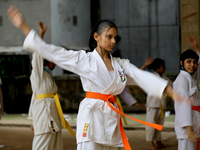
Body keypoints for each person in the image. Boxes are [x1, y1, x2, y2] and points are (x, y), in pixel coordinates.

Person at [8, 6, 183, 150]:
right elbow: (51, 51)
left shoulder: (121, 64)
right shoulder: (84, 60)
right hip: (91, 119)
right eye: (109, 37)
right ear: (97, 38)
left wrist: (168, 90)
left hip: (111, 118)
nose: (113, 41)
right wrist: (23, 25)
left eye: (115, 38)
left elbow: (139, 75)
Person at [28, 21, 64, 150]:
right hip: (45, 116)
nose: (55, 63)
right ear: (46, 59)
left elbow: (35, 97)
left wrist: (33, 120)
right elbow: (37, 54)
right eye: (53, 60)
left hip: (52, 116)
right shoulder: (37, 73)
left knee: (56, 146)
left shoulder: (46, 75)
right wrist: (41, 35)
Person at [173, 35, 200, 150]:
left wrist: (197, 48)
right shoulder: (182, 80)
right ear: (181, 63)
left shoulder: (191, 78)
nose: (192, 65)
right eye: (188, 62)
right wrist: (188, 128)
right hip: (186, 127)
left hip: (194, 121)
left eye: (194, 62)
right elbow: (182, 104)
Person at [141, 57, 172, 150]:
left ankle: (158, 142)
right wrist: (145, 65)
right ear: (157, 68)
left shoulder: (166, 79)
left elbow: (174, 88)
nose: (165, 67)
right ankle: (151, 144)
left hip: (161, 106)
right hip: (152, 106)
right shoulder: (151, 77)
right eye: (163, 66)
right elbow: (139, 75)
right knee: (151, 124)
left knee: (159, 125)